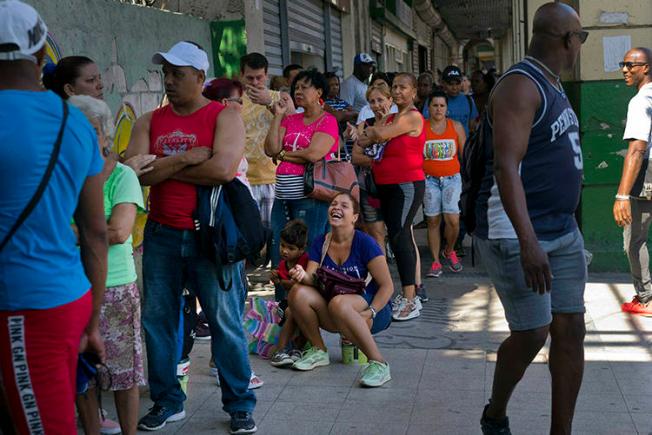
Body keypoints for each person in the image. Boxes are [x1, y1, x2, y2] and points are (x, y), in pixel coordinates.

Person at [125, 41, 257, 434]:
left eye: (177, 73)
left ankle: (239, 404)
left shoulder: (224, 116)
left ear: (200, 77)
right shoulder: (148, 121)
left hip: (211, 237)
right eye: (165, 72)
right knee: (158, 320)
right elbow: (136, 176)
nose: (168, 80)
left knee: (224, 320)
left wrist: (160, 167)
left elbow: (221, 170)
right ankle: (167, 401)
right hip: (162, 234)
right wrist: (183, 159)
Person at [473, 3, 588, 434]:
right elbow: (506, 166)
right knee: (533, 331)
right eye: (581, 38)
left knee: (570, 329)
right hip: (518, 231)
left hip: (562, 230)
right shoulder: (521, 87)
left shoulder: (553, 85)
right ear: (567, 41)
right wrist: (528, 241)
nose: (580, 46)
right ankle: (495, 411)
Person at [0, 2, 107, 434]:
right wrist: (94, 323)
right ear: (43, 53)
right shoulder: (76, 123)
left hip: (24, 305)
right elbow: (95, 233)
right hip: (63, 298)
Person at [70, 96, 145, 435]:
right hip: (72, 287)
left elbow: (118, 231)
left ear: (105, 136)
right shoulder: (64, 173)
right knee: (81, 377)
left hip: (116, 288)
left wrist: (68, 231)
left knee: (123, 374)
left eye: (90, 131)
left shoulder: (122, 176)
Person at [287, 193, 393, 387]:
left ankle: (379, 363)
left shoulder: (365, 243)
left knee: (339, 302)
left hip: (372, 310)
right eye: (334, 204)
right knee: (297, 292)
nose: (336, 207)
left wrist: (371, 312)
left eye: (344, 206)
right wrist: (302, 275)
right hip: (336, 310)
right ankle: (319, 350)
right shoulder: (321, 242)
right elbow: (312, 278)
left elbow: (388, 286)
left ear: (354, 217)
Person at [264, 68, 339, 300]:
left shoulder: (327, 121)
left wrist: (284, 155)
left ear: (319, 92)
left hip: (311, 197)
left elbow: (314, 153)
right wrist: (277, 116)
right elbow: (270, 149)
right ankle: (282, 306)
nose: (298, 91)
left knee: (307, 251)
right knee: (280, 249)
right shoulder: (291, 119)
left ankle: (307, 303)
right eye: (296, 87)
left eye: (304, 87)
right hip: (283, 197)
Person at [358, 73, 426, 321]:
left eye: (403, 87)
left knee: (400, 235)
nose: (398, 91)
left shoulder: (412, 117)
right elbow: (364, 140)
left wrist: (371, 132)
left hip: (406, 184)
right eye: (395, 87)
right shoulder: (391, 117)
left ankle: (411, 298)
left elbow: (374, 135)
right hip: (384, 185)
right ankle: (406, 294)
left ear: (414, 91)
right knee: (394, 237)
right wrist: (369, 133)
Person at [613, 47, 652, 315]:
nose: (625, 70)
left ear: (646, 67)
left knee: (634, 240)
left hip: (647, 178)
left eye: (631, 65)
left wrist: (622, 195)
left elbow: (637, 149)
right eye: (623, 64)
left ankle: (647, 297)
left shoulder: (640, 101)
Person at [239, 53, 289, 228]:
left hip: (273, 178)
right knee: (247, 237)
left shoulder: (281, 98)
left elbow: (296, 124)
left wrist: (269, 102)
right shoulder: (234, 100)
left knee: (275, 236)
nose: (254, 82)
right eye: (249, 78)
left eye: (259, 78)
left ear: (266, 75)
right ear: (241, 75)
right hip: (243, 180)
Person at [423, 91, 466, 278]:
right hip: (429, 179)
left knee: (453, 220)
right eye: (435, 105)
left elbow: (465, 155)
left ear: (447, 109)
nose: (438, 109)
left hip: (452, 178)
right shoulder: (421, 128)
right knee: (433, 221)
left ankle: (449, 250)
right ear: (428, 108)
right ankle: (435, 262)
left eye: (442, 105)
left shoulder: (455, 126)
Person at [349, 82, 392, 253]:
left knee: (399, 231)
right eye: (372, 102)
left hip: (394, 186)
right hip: (369, 186)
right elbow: (355, 156)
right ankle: (382, 273)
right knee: (376, 232)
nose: (376, 105)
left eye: (380, 100)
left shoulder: (398, 123)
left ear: (390, 100)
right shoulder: (366, 124)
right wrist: (379, 161)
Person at [269, 220, 310, 367]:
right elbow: (285, 285)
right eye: (282, 246)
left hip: (304, 301)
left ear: (301, 249)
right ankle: (280, 351)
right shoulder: (282, 264)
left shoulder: (306, 262)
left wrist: (281, 281)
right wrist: (275, 278)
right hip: (289, 302)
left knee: (303, 314)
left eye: (290, 248)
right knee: (291, 312)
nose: (284, 251)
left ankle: (297, 349)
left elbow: (299, 284)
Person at [441, 65, 479, 136]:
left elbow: (472, 127)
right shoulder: (436, 101)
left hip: (465, 146)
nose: (454, 87)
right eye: (451, 84)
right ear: (443, 83)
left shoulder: (469, 100)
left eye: (457, 83)